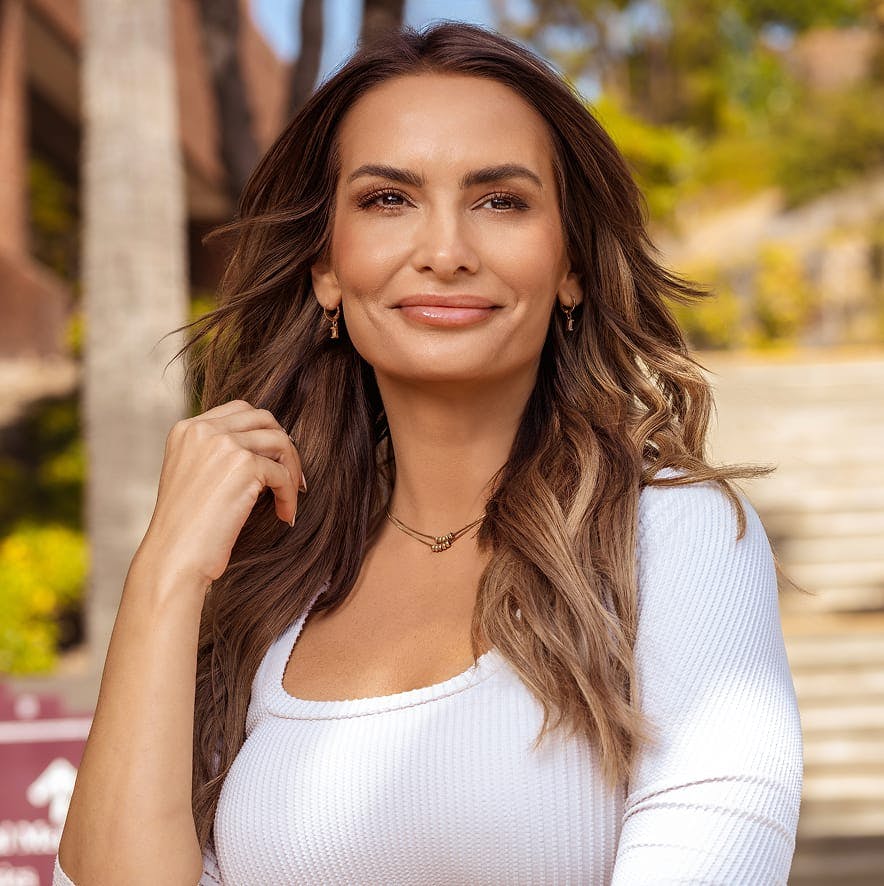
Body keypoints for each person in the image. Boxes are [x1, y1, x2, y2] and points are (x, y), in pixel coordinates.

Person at [55, 20, 803, 886]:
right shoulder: (266, 580)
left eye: (501, 201)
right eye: (387, 199)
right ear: (326, 268)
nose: (445, 253)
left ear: (571, 265)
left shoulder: (674, 534)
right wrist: (164, 573)